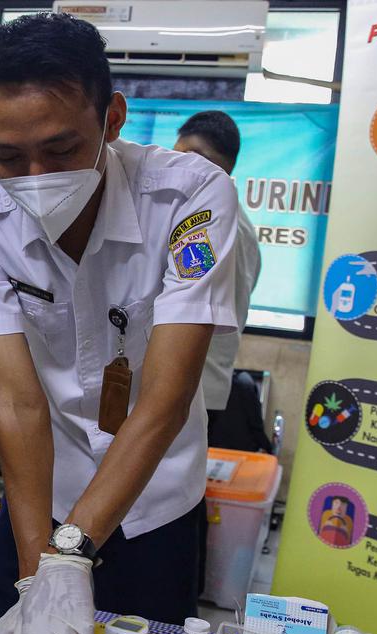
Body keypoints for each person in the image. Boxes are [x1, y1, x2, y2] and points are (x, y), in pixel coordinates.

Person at [0, 13, 238, 634]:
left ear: (111, 118)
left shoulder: (190, 197)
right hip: (38, 497)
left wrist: (70, 556)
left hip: (153, 500)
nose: (35, 175)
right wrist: (33, 575)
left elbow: (162, 402)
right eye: (8, 156)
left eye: (60, 147)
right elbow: (17, 401)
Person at [173, 111, 263, 444]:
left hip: (189, 387)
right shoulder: (204, 216)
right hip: (182, 383)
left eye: (187, 159)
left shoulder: (222, 227)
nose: (175, 168)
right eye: (174, 154)